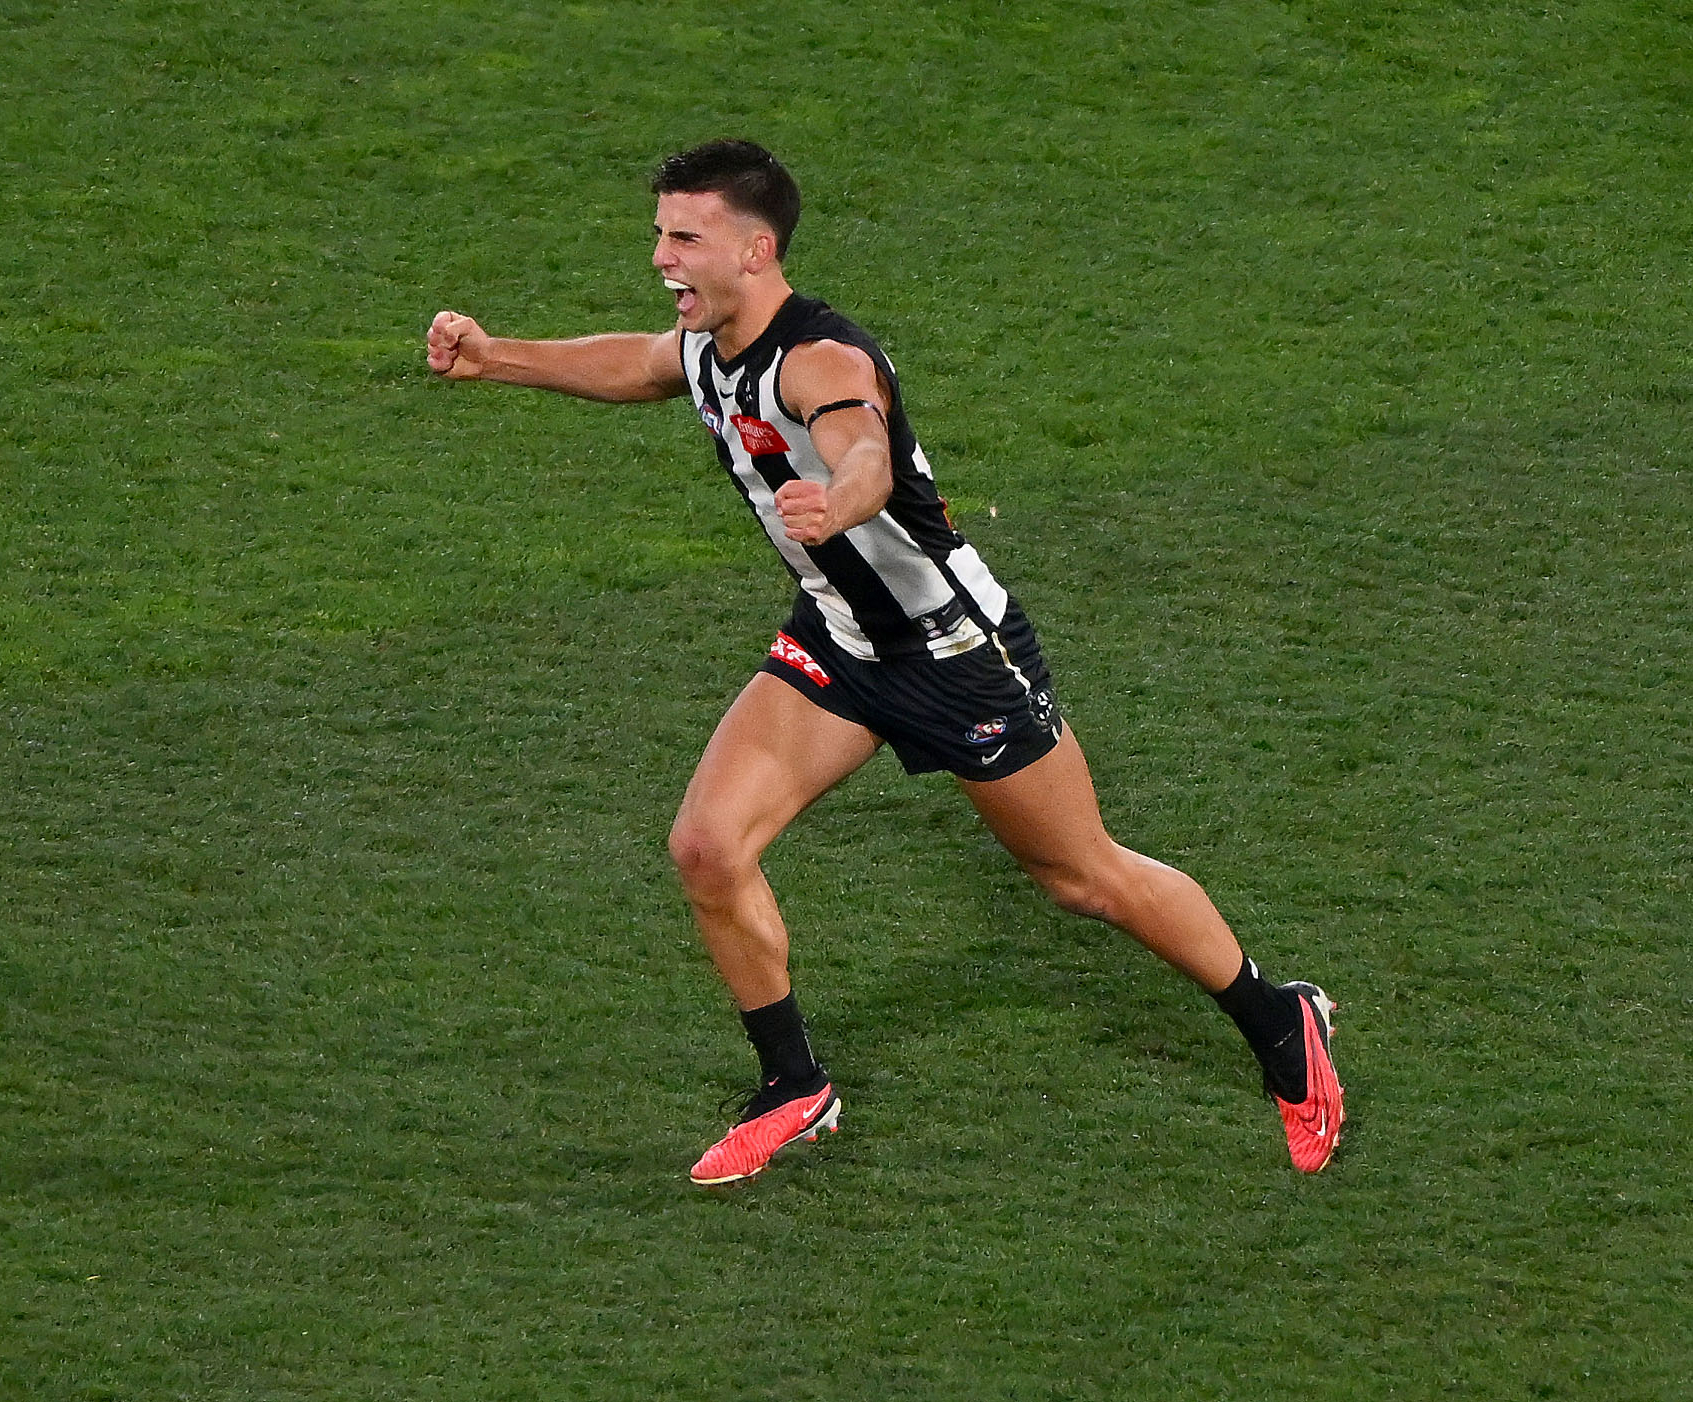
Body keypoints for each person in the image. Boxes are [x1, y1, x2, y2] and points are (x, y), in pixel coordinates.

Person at [426, 139, 1344, 1183]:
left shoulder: (821, 357)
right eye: (658, 234)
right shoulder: (704, 346)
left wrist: (844, 495)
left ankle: (1282, 1023)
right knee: (707, 847)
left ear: (757, 249)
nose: (661, 257)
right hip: (840, 641)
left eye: (686, 237)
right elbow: (635, 362)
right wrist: (495, 357)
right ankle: (795, 1087)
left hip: (954, 655)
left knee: (1081, 877)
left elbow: (858, 438)